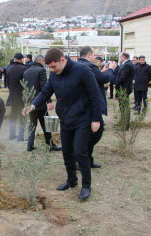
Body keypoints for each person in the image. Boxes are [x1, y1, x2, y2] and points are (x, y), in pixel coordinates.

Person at [24, 48, 101, 201]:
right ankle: (71, 180)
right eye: (49, 68)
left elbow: (95, 95)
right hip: (66, 118)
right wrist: (32, 106)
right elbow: (45, 92)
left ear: (63, 61)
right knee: (67, 152)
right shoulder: (54, 74)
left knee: (80, 151)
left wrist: (96, 119)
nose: (52, 70)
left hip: (83, 118)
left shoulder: (83, 71)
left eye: (53, 66)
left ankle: (86, 185)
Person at [77, 46, 115, 169]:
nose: (94, 57)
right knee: (95, 133)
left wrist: (101, 71)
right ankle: (83, 159)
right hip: (91, 105)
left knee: (89, 134)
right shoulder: (91, 66)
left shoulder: (78, 65)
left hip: (81, 105)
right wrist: (111, 70)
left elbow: (96, 77)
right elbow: (104, 79)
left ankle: (88, 159)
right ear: (89, 55)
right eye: (93, 55)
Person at [23, 55, 62, 152]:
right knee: (46, 126)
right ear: (41, 61)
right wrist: (49, 101)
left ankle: (29, 146)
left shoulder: (26, 71)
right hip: (40, 104)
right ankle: (50, 145)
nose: (44, 64)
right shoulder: (41, 71)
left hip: (30, 104)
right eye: (44, 62)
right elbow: (44, 87)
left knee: (32, 125)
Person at [7, 52, 27, 141]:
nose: (23, 60)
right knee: (22, 116)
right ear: (20, 59)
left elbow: (8, 83)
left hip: (12, 96)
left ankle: (12, 135)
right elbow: (26, 83)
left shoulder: (9, 69)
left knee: (13, 116)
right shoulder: (24, 68)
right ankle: (21, 136)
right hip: (21, 97)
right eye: (23, 58)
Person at [112, 52, 135, 130]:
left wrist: (116, 85)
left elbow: (123, 77)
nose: (120, 58)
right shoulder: (127, 64)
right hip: (124, 88)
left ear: (124, 57)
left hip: (124, 88)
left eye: (120, 56)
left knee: (124, 107)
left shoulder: (127, 65)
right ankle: (122, 122)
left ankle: (125, 125)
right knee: (122, 107)